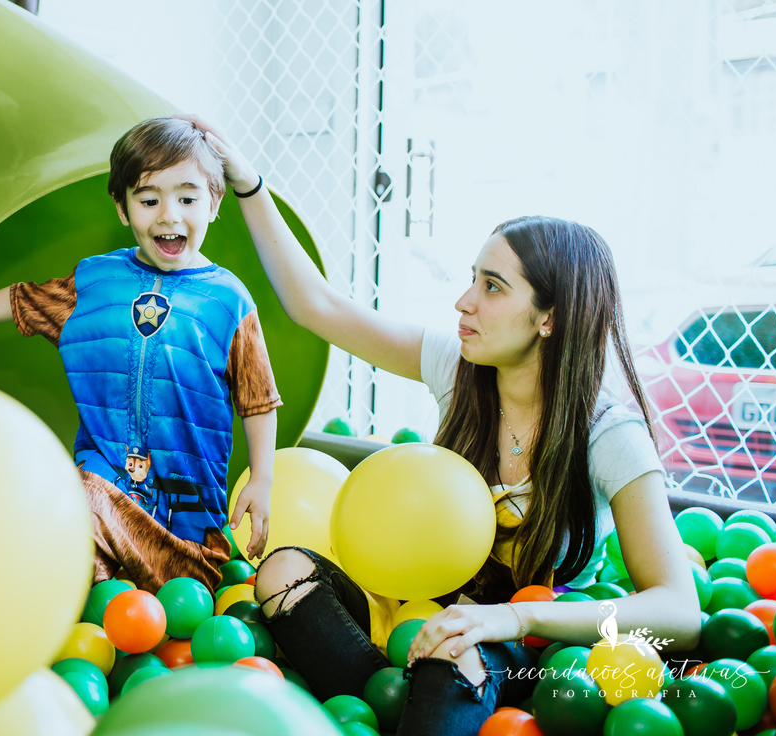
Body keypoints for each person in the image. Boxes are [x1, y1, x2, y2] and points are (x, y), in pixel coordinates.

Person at [192, 119, 700, 735]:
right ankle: (393, 703)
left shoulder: (608, 433)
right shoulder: (455, 369)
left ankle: (431, 694)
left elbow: (679, 610)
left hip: (536, 648)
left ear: (549, 318)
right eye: (471, 279)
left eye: (492, 287)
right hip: (420, 609)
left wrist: (510, 622)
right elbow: (315, 306)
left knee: (453, 647)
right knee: (281, 574)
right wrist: (248, 183)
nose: (464, 300)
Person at [0, 117, 281, 594]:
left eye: (187, 199)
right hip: (98, 500)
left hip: (184, 538)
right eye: (149, 200)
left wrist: (263, 478)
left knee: (77, 514)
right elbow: (25, 299)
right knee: (70, 508)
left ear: (214, 203)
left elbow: (258, 397)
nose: (169, 215)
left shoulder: (229, 301)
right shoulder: (94, 282)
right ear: (122, 208)